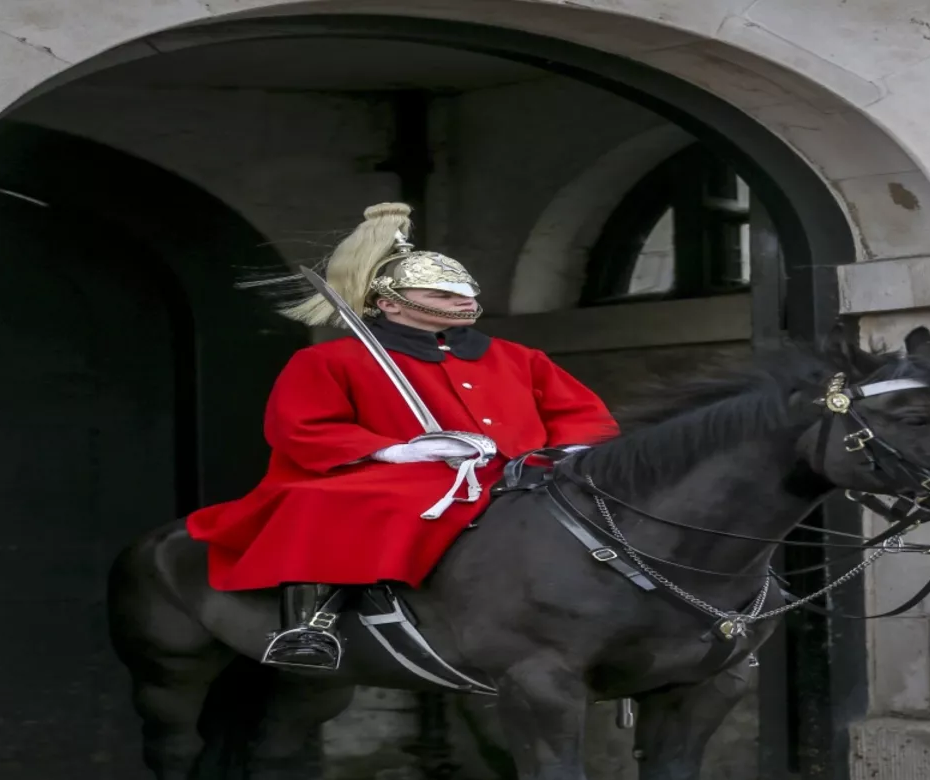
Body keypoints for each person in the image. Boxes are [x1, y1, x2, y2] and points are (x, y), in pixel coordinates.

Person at [186, 202, 619, 670]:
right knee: (328, 502)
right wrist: (396, 450)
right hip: (395, 472)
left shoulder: (520, 358)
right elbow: (303, 427)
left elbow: (579, 414)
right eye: (441, 293)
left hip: (521, 469)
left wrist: (570, 451)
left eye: (465, 292)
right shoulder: (331, 361)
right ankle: (310, 625)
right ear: (389, 302)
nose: (464, 300)